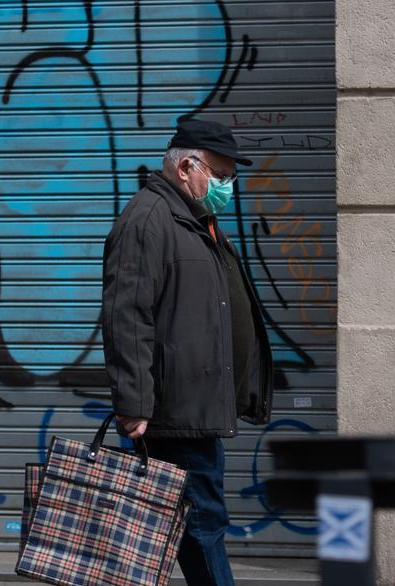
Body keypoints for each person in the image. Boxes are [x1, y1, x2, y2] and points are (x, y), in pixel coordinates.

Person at [100, 118, 273, 586]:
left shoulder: (193, 221)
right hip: (173, 412)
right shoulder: (149, 221)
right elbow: (126, 317)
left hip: (196, 406)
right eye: (219, 174)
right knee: (201, 525)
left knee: (183, 527)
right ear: (186, 167)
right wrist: (134, 403)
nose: (226, 185)